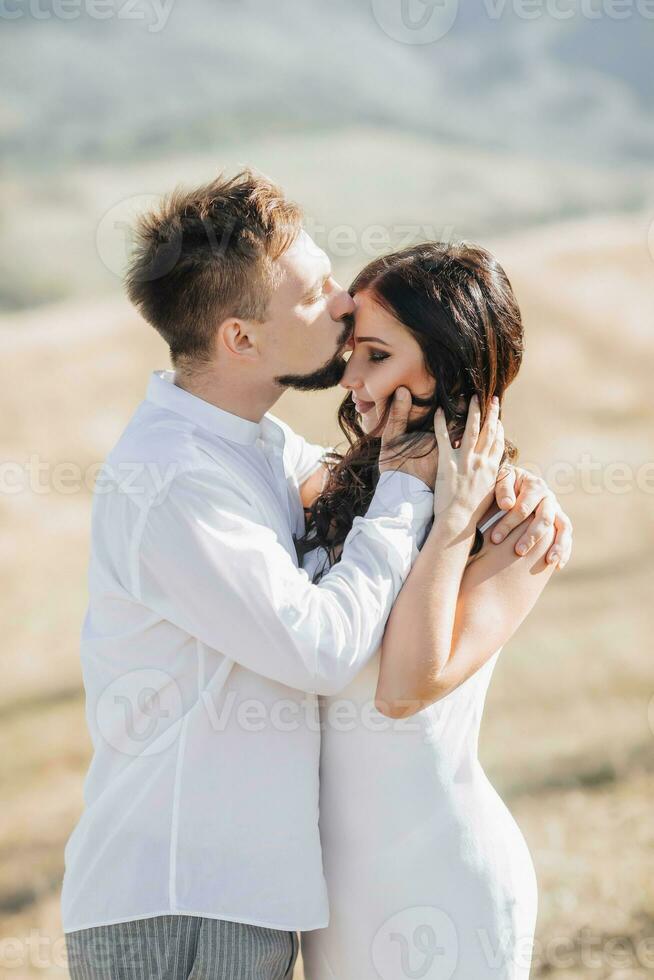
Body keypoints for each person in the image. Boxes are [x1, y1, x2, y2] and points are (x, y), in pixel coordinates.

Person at [61, 171, 572, 979]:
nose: (340, 307)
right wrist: (413, 490)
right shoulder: (182, 481)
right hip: (185, 894)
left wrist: (501, 488)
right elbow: (326, 649)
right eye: (317, 295)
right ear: (240, 339)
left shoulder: (261, 454)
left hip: (312, 892)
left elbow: (372, 503)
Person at [300, 243, 559, 980]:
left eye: (376, 355)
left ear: (444, 367)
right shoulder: (327, 491)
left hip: (447, 883)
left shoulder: (515, 528)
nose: (350, 378)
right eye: (353, 352)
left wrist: (450, 521)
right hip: (334, 902)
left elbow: (405, 687)